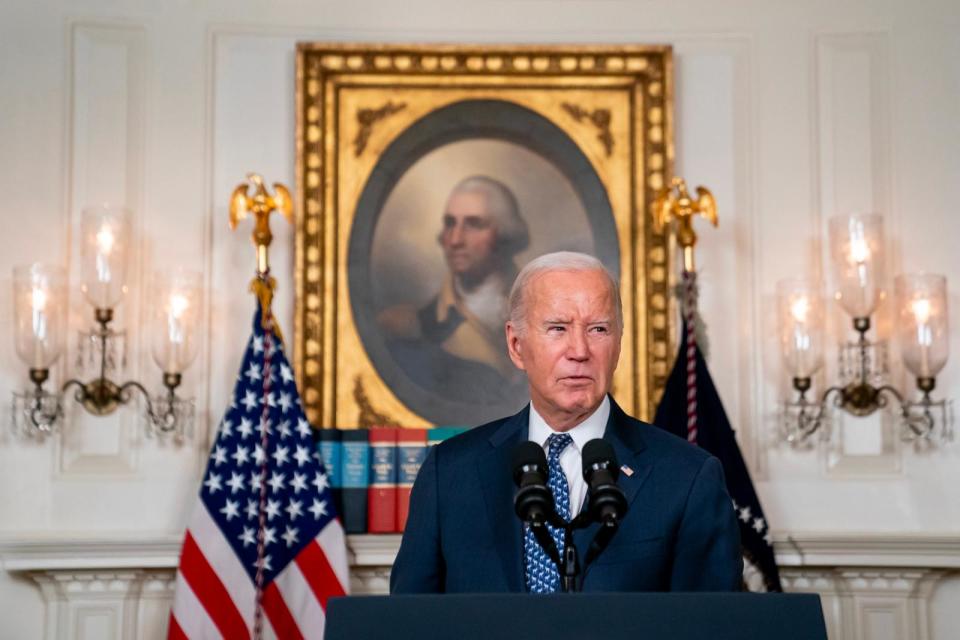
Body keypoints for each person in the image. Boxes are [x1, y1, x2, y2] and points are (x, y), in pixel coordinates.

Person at [390, 251, 742, 593]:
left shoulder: (688, 477)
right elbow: (409, 626)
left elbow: (711, 629)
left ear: (618, 344)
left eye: (599, 329)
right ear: (516, 345)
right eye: (558, 328)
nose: (579, 350)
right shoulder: (449, 473)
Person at [379, 175, 530, 409]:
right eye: (450, 223)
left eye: (474, 224)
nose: (455, 239)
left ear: (504, 234)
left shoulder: (540, 310)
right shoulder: (408, 327)